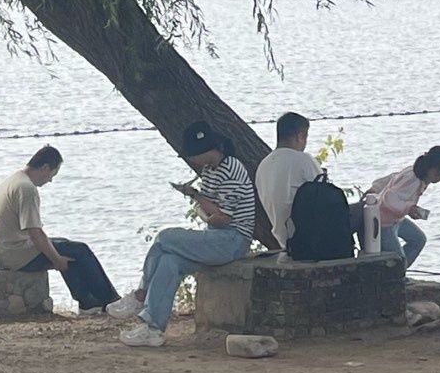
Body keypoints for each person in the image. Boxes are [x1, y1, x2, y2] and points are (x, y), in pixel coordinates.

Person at [114, 124, 259, 348]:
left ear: (205, 151)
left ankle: (140, 295)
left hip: (233, 240)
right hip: (214, 235)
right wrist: (202, 204)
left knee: (165, 237)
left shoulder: (232, 169)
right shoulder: (210, 171)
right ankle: (153, 327)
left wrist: (197, 197)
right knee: (168, 261)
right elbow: (207, 213)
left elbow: (222, 219)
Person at [0, 145, 119, 313]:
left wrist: (57, 255)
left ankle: (88, 302)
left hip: (4, 251)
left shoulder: (13, 180)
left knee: (66, 246)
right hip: (17, 255)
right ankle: (111, 300)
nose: (50, 181)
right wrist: (56, 259)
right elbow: (36, 233)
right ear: (45, 168)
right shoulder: (27, 189)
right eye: (52, 175)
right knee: (79, 251)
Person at [360, 146, 440, 271]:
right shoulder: (413, 179)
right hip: (383, 222)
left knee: (418, 239)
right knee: (398, 260)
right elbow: (389, 198)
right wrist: (409, 208)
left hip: (396, 219)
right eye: (438, 173)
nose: (439, 178)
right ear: (429, 166)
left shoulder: (415, 174)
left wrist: (376, 188)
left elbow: (393, 178)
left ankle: (398, 269)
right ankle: (396, 271)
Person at [254, 111, 321, 252]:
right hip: (310, 236)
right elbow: (327, 197)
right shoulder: (303, 160)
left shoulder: (263, 166)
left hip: (284, 239)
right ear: (299, 136)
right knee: (365, 211)